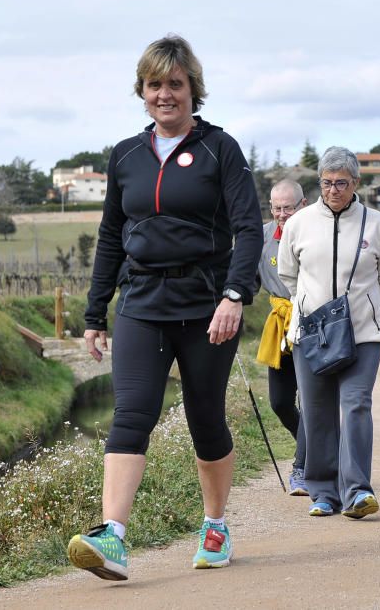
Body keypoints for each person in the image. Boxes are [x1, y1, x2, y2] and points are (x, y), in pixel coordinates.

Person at [68, 35, 263, 578]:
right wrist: (94, 312)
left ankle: (216, 524)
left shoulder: (220, 149)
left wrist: (234, 294)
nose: (165, 94)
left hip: (207, 307)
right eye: (155, 85)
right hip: (141, 303)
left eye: (175, 84)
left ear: (192, 90)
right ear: (143, 90)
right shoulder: (126, 156)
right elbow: (111, 234)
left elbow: (248, 229)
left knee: (205, 417)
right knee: (132, 413)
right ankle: (113, 537)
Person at [278, 147, 380, 519]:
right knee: (317, 412)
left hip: (362, 332)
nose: (333, 190)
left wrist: (364, 306)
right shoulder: (299, 223)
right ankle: (323, 492)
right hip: (312, 334)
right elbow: (287, 275)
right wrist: (311, 306)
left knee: (356, 405)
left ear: (356, 183)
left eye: (341, 184)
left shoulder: (377, 223)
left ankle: (358, 490)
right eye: (327, 183)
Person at [255, 179, 308, 496]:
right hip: (280, 322)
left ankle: (302, 467)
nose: (282, 214)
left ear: (302, 205)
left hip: (315, 322)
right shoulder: (261, 237)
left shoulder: (318, 230)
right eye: (277, 208)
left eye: (288, 207)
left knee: (314, 401)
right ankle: (317, 447)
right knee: (279, 402)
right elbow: (248, 279)